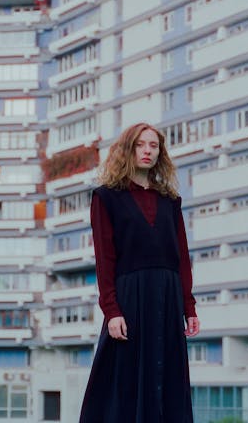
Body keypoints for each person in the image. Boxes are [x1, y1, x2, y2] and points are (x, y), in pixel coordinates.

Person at [79, 122, 200, 423]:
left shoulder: (170, 200)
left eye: (153, 146)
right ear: (127, 150)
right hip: (130, 298)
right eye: (140, 145)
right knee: (124, 380)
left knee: (167, 377)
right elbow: (104, 259)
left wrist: (189, 307)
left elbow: (181, 258)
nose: (147, 151)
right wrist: (112, 310)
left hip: (168, 296)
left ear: (160, 153)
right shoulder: (106, 197)